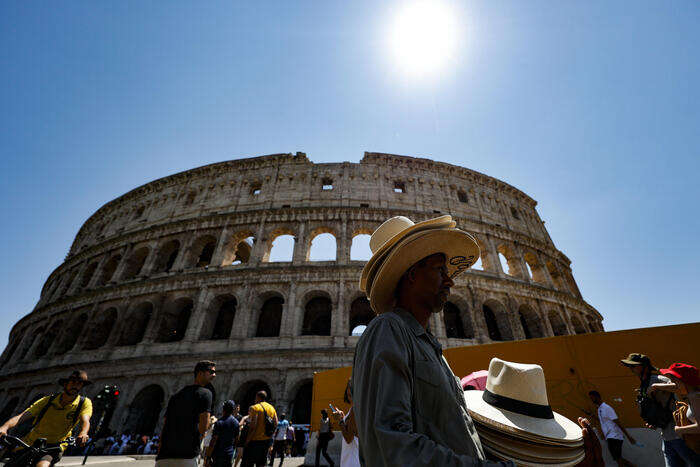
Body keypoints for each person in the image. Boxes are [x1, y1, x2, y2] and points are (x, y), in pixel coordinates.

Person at [351, 215, 510, 466]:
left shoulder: (429, 347)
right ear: (412, 274)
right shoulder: (388, 330)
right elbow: (391, 445)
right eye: (440, 270)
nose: (450, 280)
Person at [0, 370, 93, 467]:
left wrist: (83, 433)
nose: (76, 386)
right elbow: (22, 416)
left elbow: (85, 420)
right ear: (65, 384)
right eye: (73, 382)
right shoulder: (48, 400)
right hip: (30, 443)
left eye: (80, 384)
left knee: (42, 465)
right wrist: (4, 427)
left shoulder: (84, 403)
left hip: (54, 447)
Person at [621, 353, 698, 467]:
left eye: (633, 366)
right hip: (666, 436)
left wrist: (657, 386)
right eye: (630, 366)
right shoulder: (643, 385)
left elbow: (681, 388)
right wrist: (654, 421)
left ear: (645, 366)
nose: (631, 369)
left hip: (679, 435)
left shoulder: (658, 379)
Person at [157, 361, 216, 467]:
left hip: (165, 455)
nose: (214, 375)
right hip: (187, 454)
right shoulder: (206, 394)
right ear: (200, 373)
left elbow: (165, 425)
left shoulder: (175, 396)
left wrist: (160, 450)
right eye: (211, 372)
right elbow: (203, 427)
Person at [657, 363, 700, 457]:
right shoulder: (693, 395)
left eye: (674, 380)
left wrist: (679, 429)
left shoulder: (695, 397)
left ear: (683, 381)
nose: (672, 383)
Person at [588, 390, 636, 466]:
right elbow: (604, 422)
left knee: (618, 459)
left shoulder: (607, 408)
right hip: (610, 437)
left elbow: (618, 422)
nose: (592, 400)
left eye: (592, 398)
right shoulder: (599, 409)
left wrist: (629, 436)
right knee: (618, 458)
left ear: (597, 397)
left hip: (615, 436)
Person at [242, 391, 278, 467]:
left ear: (258, 397)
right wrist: (269, 435)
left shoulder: (255, 408)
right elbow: (276, 423)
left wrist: (247, 441)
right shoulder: (272, 408)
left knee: (247, 463)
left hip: (254, 441)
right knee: (261, 464)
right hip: (266, 442)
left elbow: (253, 427)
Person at [329, 379, 359, 467]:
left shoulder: (355, 410)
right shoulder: (356, 409)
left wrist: (340, 420)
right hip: (353, 458)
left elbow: (349, 438)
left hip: (352, 460)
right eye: (349, 395)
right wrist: (344, 417)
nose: (351, 398)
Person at [206, 400, 240, 467]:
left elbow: (213, 441)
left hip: (218, 455)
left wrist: (208, 456)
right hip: (229, 455)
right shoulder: (236, 423)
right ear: (233, 410)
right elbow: (237, 439)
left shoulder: (219, 422)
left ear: (223, 409)